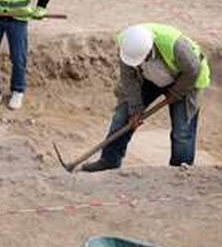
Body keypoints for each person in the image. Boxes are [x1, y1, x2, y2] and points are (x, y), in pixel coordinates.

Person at [81, 23, 211, 172]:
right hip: (149, 77)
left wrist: (176, 93)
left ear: (149, 50)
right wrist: (135, 110)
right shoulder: (127, 45)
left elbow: (193, 70)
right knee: (122, 117)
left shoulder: (176, 46)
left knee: (182, 130)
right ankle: (109, 161)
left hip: (185, 79)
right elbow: (128, 79)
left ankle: (180, 170)